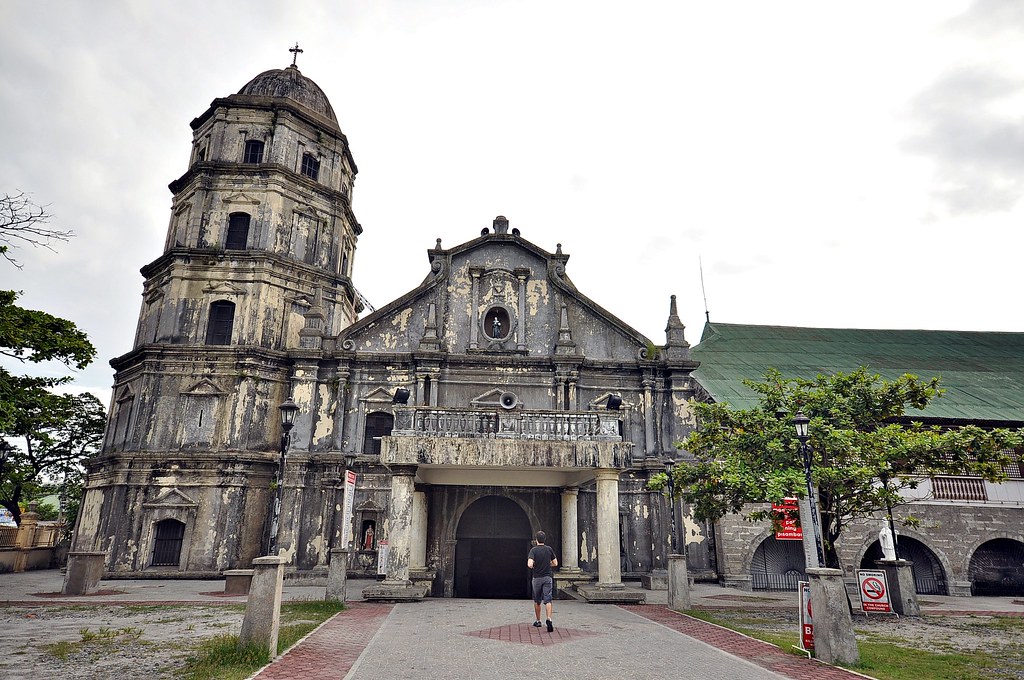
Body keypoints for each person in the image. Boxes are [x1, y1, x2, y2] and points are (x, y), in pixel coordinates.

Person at [527, 530, 558, 632]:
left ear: (536, 540)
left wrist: (535, 564)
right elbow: (555, 563)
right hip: (547, 577)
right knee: (548, 599)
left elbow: (530, 564)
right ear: (544, 539)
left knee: (537, 600)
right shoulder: (549, 549)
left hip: (537, 578)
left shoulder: (533, 550)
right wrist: (548, 564)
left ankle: (538, 620)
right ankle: (549, 618)